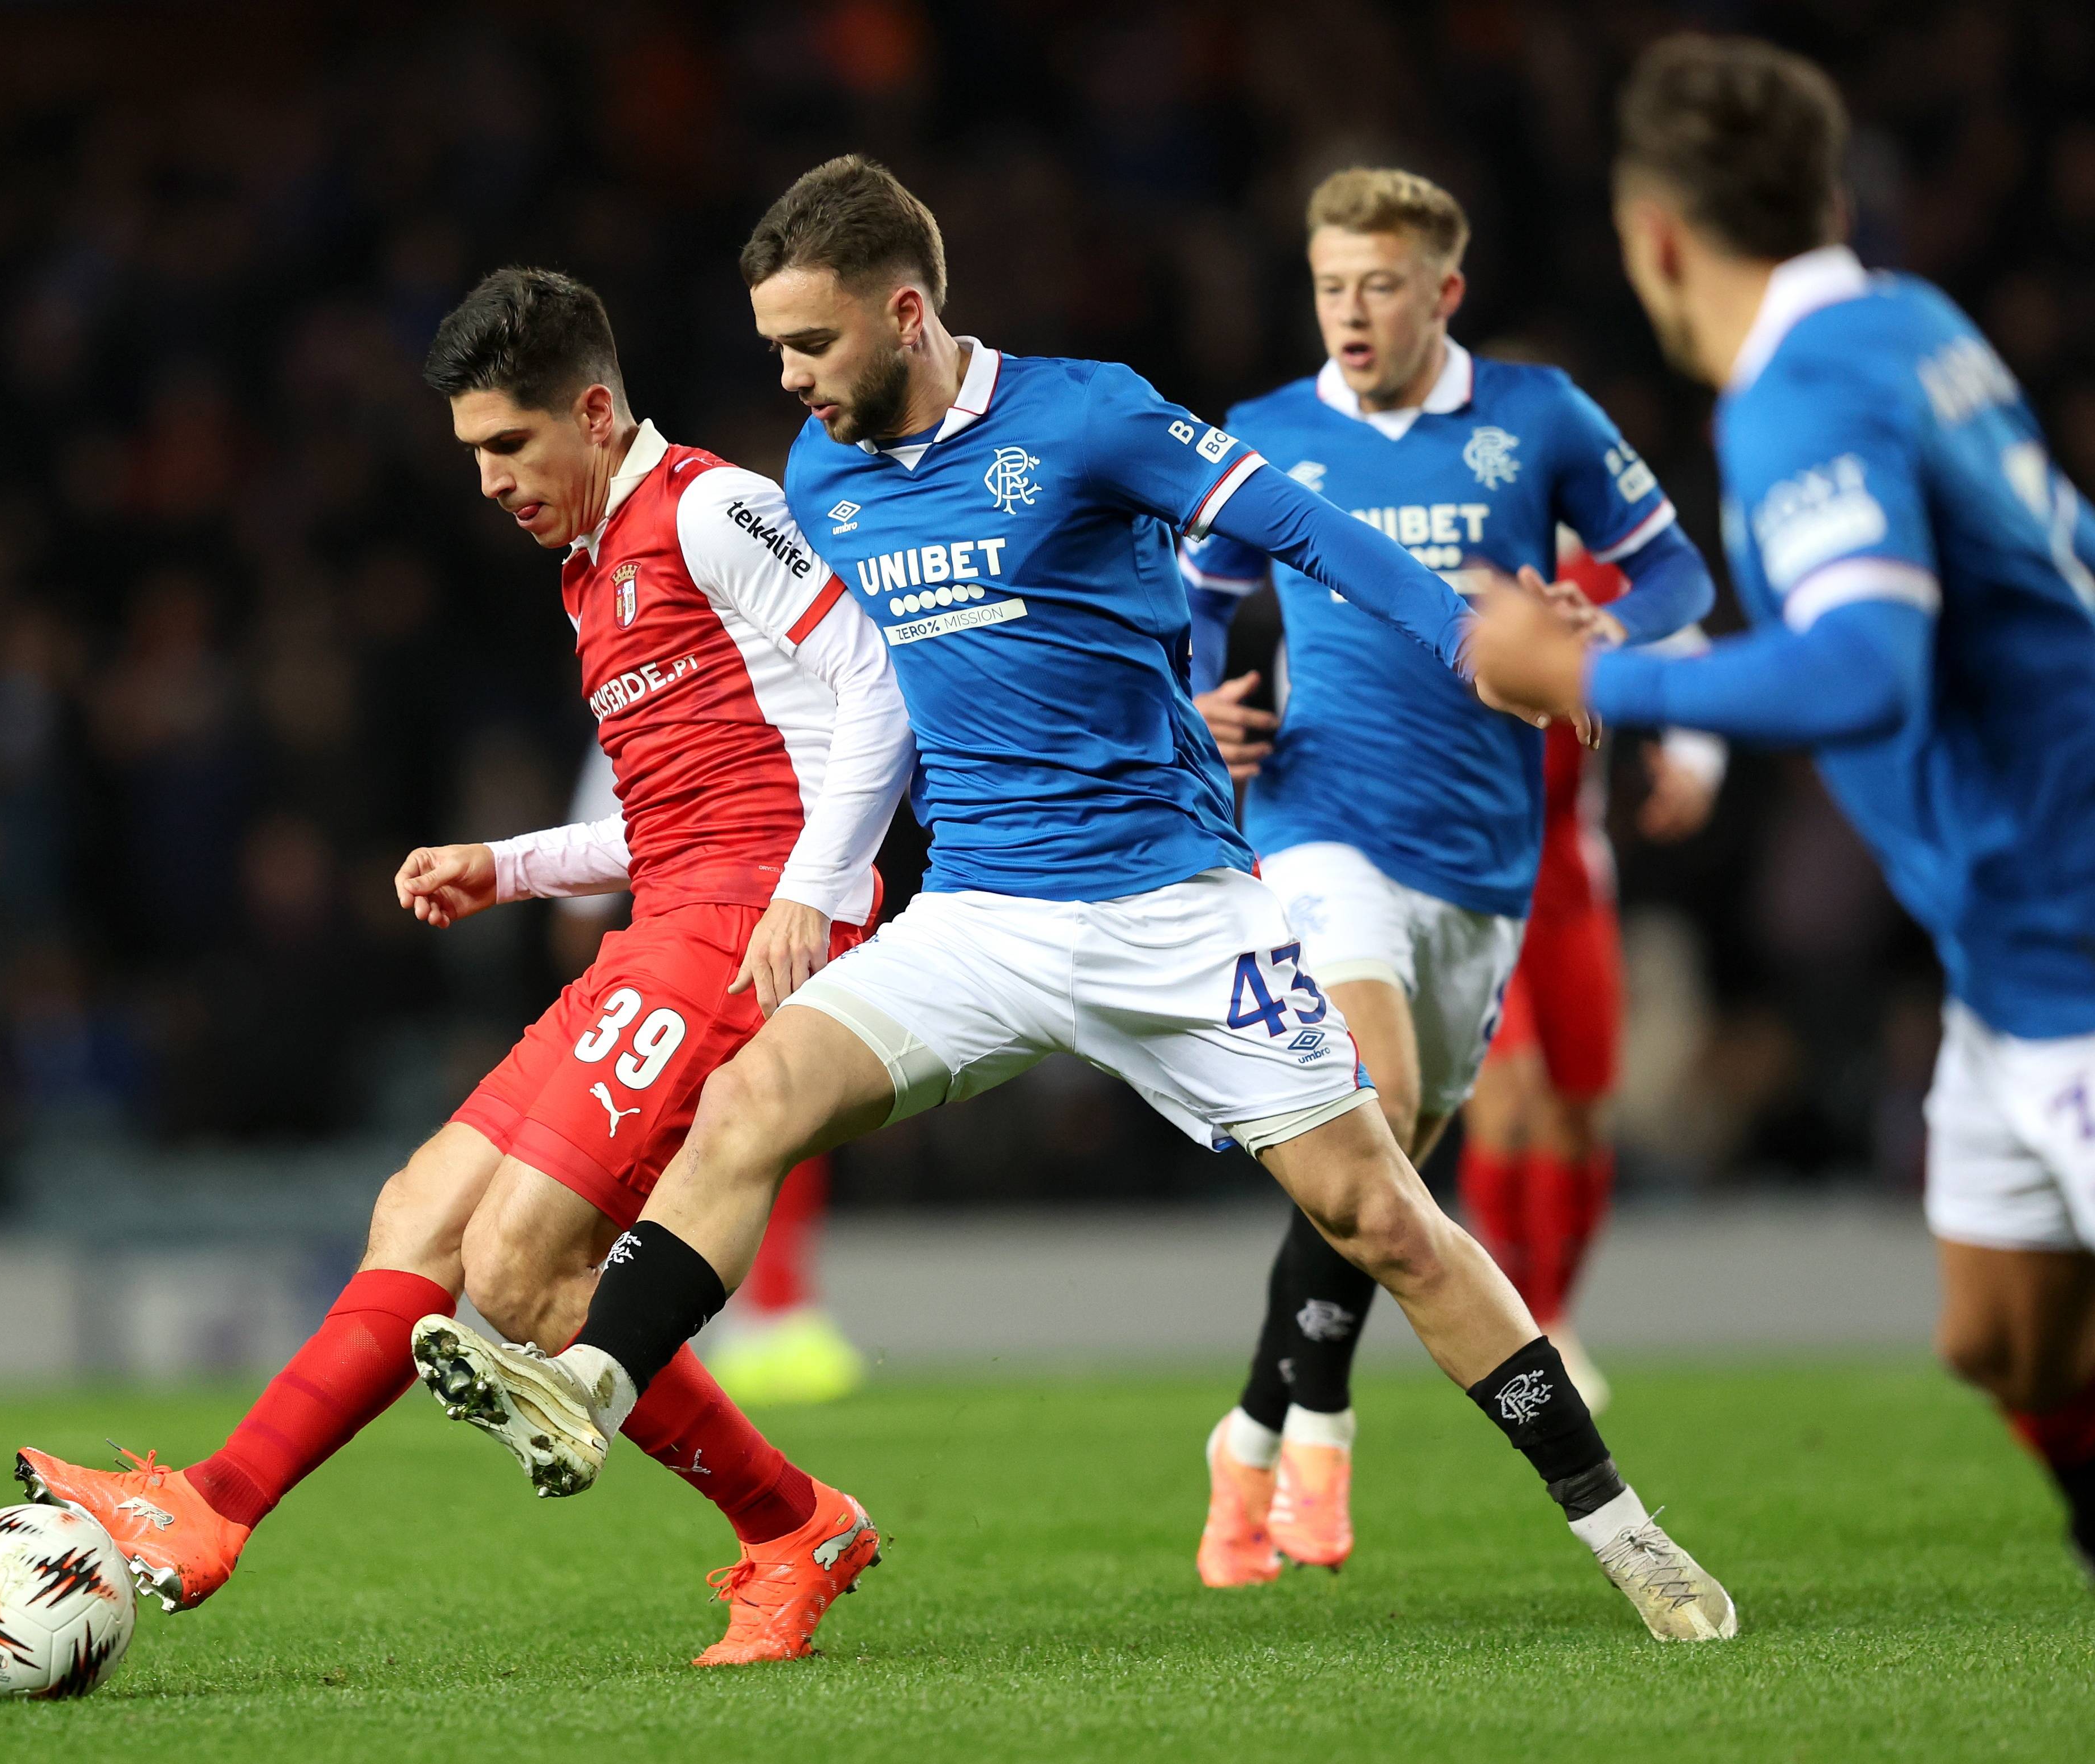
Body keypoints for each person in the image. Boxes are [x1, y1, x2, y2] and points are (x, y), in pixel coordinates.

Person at [413, 155, 1737, 1642]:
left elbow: (1301, 529)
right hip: (980, 912)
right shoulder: (823, 481)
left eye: (811, 342)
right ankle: (591, 1385)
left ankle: (1626, 1532)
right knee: (751, 1102)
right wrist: (781, 877)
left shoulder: (1090, 416)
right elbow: (855, 707)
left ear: (904, 313)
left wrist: (1465, 641)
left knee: (1384, 1217)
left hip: (1174, 907)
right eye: (774, 346)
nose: (787, 377)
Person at [17, 267, 917, 1666]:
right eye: (472, 452)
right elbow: (672, 813)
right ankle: (211, 1505)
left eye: (509, 442)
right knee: (422, 1210)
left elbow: (878, 685)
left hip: (745, 924)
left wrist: (812, 892)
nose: (490, 479)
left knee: (519, 1264)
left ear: (595, 412)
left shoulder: (711, 507)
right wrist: (509, 863)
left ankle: (792, 1521)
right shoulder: (591, 571)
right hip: (672, 913)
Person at [1469, 33, 2095, 1576]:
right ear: (1826, 198)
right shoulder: (1911, 324)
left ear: (1655, 239)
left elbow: (1863, 668)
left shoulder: (1797, 393)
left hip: (2070, 924)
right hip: (2010, 939)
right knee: (1999, 1335)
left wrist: (1589, 679)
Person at [1179, 167, 1715, 1587]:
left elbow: (1674, 575)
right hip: (1318, 820)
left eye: (1380, 285)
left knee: (1385, 1167)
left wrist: (1595, 624)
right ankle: (1322, 1428)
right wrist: (1196, 703)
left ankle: (1251, 1426)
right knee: (1372, 1105)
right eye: (1329, 286)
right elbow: (1188, 595)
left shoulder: (1537, 418)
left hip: (1483, 857)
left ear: (1443, 292)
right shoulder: (1266, 434)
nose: (1351, 312)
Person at [1456, 531, 1725, 1420]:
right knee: (1509, 1100)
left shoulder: (1593, 574)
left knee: (1577, 1114)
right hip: (1459, 879)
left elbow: (1687, 645)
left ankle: (1552, 1314)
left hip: (1569, 883)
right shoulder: (1427, 538)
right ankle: (1517, 1328)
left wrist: (1695, 761)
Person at [556, 738, 869, 1407]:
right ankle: (663, 1315)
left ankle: (768, 1311)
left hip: (760, 892)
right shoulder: (665, 694)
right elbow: (626, 757)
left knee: (766, 1103)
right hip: (694, 911)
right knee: (707, 1115)